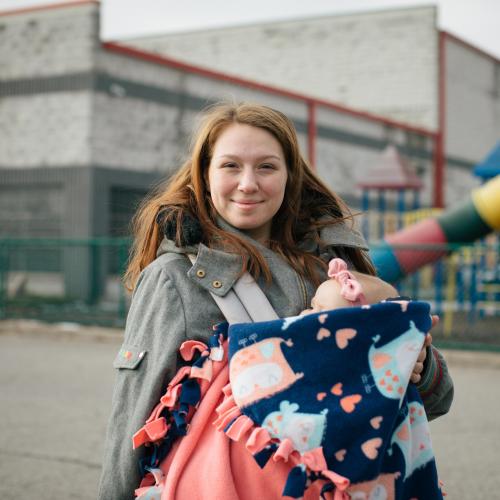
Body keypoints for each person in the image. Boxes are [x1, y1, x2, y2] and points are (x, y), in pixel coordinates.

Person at [98, 102, 453, 500]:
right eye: (230, 166)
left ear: (290, 175)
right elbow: (132, 417)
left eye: (266, 166)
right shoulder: (174, 279)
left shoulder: (333, 265)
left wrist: (418, 366)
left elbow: (436, 401)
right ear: (205, 174)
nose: (248, 183)